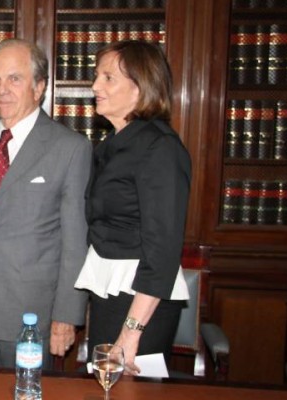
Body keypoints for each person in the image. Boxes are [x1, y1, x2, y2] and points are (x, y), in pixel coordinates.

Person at [0, 38, 92, 369]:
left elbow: (74, 244)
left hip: (34, 318)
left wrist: (66, 317)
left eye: (15, 78)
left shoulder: (70, 148)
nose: (2, 89)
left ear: (39, 87)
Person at [74, 40, 192, 375]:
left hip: (142, 304)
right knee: (103, 385)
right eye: (97, 76)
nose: (95, 85)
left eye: (108, 78)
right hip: (111, 292)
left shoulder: (160, 148)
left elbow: (163, 251)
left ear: (141, 88)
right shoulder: (111, 145)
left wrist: (131, 333)